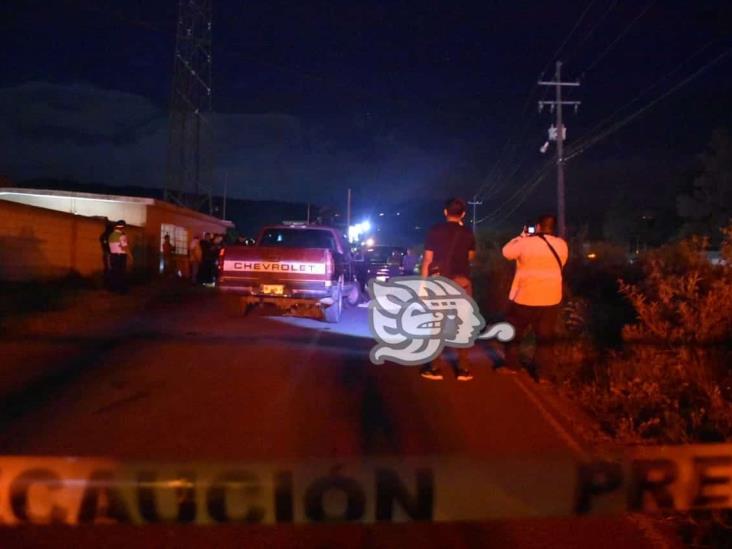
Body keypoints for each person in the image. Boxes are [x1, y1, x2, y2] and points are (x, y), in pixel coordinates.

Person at [500, 214, 568, 382]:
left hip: (525, 297)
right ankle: (543, 375)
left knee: (514, 333)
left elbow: (506, 252)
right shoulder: (562, 245)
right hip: (551, 298)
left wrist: (521, 236)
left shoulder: (525, 243)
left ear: (537, 226)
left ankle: (512, 366)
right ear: (553, 228)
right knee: (545, 337)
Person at [419, 198, 477, 382]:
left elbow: (427, 260)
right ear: (464, 214)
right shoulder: (468, 233)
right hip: (462, 282)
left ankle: (435, 368)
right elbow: (471, 257)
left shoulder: (434, 231)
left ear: (445, 212)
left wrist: (423, 284)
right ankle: (463, 370)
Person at [108, 220, 130, 294]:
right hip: (121, 256)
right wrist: (131, 256)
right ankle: (122, 290)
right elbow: (125, 247)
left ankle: (113, 289)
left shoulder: (111, 235)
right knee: (122, 273)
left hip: (113, 256)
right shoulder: (122, 236)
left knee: (114, 273)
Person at [99, 220, 114, 287]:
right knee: (109, 269)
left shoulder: (105, 235)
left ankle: (108, 283)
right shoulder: (108, 235)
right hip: (109, 254)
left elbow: (103, 241)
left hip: (108, 254)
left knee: (108, 269)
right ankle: (108, 284)